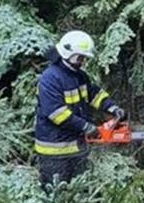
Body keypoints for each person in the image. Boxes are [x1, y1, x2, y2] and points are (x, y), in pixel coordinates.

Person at [34, 30, 126, 188]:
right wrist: (87, 127)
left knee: (81, 192)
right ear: (68, 53)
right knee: (57, 195)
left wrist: (112, 108)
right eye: (80, 58)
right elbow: (57, 113)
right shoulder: (50, 78)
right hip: (54, 151)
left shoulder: (79, 76)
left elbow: (94, 94)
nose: (82, 61)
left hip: (77, 146)